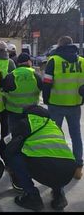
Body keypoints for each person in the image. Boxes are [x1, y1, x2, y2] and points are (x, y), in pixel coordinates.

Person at [3, 105, 77, 211]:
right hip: (69, 171)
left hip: (43, 168)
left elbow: (9, 147)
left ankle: (32, 196)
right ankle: (59, 195)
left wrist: (9, 165)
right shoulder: (55, 126)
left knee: (14, 157)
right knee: (57, 162)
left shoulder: (25, 123)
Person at [42, 36, 84, 180]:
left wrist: (46, 99)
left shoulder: (54, 61)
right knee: (76, 135)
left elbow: (47, 82)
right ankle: (78, 167)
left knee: (55, 136)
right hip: (75, 103)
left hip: (56, 103)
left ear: (59, 45)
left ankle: (57, 165)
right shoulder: (82, 61)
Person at [3, 53, 42, 133]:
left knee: (14, 136)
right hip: (32, 111)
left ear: (18, 63)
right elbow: (42, 88)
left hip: (14, 111)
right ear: (29, 62)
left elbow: (4, 92)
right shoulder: (36, 75)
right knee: (30, 135)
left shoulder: (11, 76)